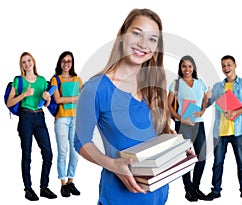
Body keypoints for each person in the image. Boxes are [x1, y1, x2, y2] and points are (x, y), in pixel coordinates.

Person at [74, 8, 175, 205]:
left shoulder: (154, 87)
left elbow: (154, 136)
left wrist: (175, 149)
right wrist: (112, 164)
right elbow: (80, 140)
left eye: (152, 39)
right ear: (122, 36)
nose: (143, 44)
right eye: (137, 33)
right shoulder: (96, 88)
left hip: (158, 196)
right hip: (120, 199)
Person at [202, 55, 242, 201]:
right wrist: (205, 97)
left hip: (238, 131)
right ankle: (215, 191)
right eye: (223, 65)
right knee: (218, 163)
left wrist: (236, 112)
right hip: (220, 132)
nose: (226, 68)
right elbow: (206, 105)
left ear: (235, 65)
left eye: (229, 65)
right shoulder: (217, 87)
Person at [6, 52, 57, 201]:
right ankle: (28, 189)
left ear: (33, 62)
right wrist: (25, 94)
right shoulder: (19, 81)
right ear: (21, 65)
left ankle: (44, 187)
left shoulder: (42, 81)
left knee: (48, 154)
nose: (27, 64)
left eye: (29, 60)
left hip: (39, 117)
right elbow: (10, 103)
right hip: (26, 117)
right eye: (23, 62)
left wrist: (47, 99)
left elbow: (46, 104)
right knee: (27, 154)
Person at [167, 55, 207, 202]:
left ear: (194, 68)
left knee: (201, 157)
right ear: (180, 68)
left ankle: (195, 187)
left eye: (190, 66)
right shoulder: (176, 84)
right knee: (184, 157)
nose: (187, 69)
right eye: (184, 66)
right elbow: (168, 105)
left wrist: (203, 108)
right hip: (183, 124)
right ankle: (188, 189)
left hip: (198, 123)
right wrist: (179, 118)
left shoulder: (200, 83)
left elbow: (203, 102)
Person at [51, 51, 83, 197]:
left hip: (76, 119)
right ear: (60, 63)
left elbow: (84, 98)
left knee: (75, 151)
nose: (66, 63)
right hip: (62, 118)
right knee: (63, 151)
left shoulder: (78, 79)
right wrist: (76, 98)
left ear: (72, 63)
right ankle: (63, 184)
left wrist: (72, 98)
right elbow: (58, 100)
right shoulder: (55, 80)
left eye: (69, 61)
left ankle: (71, 181)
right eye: (63, 61)